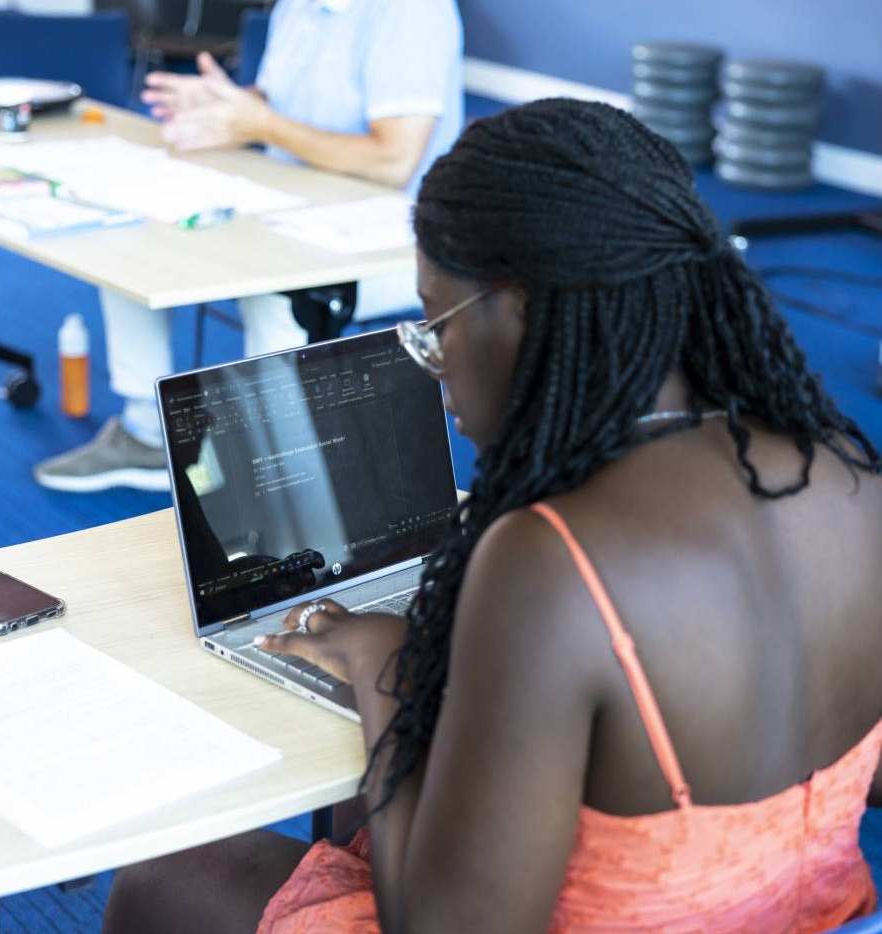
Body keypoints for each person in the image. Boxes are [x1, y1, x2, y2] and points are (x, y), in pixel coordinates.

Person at [101, 99, 882, 933]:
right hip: (816, 916)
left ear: (516, 307)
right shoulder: (844, 470)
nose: (434, 373)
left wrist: (383, 666)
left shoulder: (549, 561)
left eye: (433, 324)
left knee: (163, 882)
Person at [34, 0, 463, 493]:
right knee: (134, 230)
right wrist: (226, 105)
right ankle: (146, 435)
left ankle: (275, 473)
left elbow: (393, 160)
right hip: (293, 209)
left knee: (279, 290)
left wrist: (258, 123)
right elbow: (273, 105)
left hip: (395, 241)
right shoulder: (297, 7)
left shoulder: (413, 13)